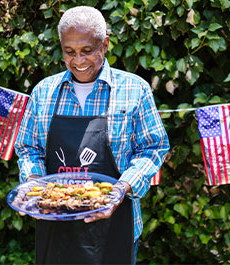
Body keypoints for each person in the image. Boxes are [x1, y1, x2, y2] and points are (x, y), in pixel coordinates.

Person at [14, 6, 170, 265]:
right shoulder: (44, 92)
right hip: (55, 224)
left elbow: (153, 148)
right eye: (69, 52)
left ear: (105, 44)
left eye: (87, 51)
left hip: (115, 225)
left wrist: (121, 188)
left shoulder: (134, 89)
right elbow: (29, 148)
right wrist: (33, 183)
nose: (78, 61)